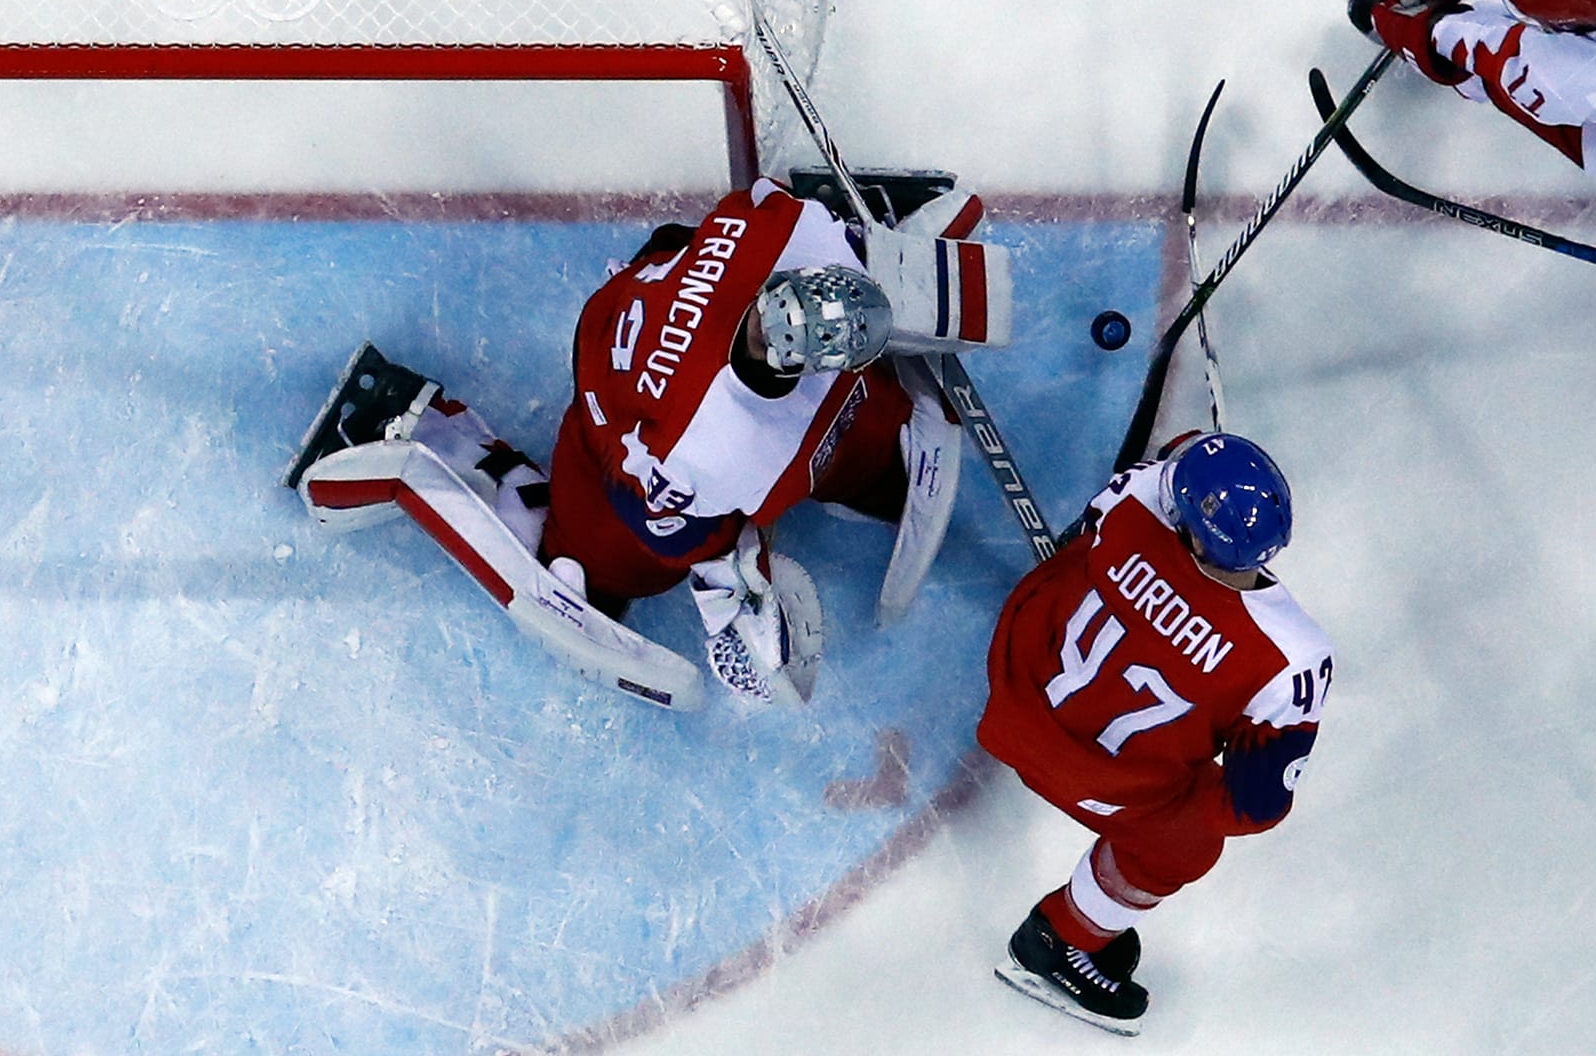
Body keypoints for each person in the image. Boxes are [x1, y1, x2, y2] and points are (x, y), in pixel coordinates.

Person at [282, 176, 1011, 708]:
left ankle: (879, 446)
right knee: (603, 566)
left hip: (637, 319)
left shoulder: (784, 230)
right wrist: (735, 588)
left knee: (843, 435)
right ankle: (423, 434)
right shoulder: (710, 447)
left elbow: (701, 239)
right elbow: (690, 533)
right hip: (620, 444)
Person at [978, 431, 1334, 1035]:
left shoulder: (1135, 498)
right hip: (1087, 775)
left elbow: (1152, 478)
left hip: (1013, 686)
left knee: (1078, 558)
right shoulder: (1292, 657)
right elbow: (1255, 805)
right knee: (1187, 842)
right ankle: (1058, 940)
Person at [1351, 0, 1596, 169]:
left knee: (1525, 68)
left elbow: (1503, 53)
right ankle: (1456, 55)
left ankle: (1455, 62)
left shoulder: (1569, 72)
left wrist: (1425, 29)